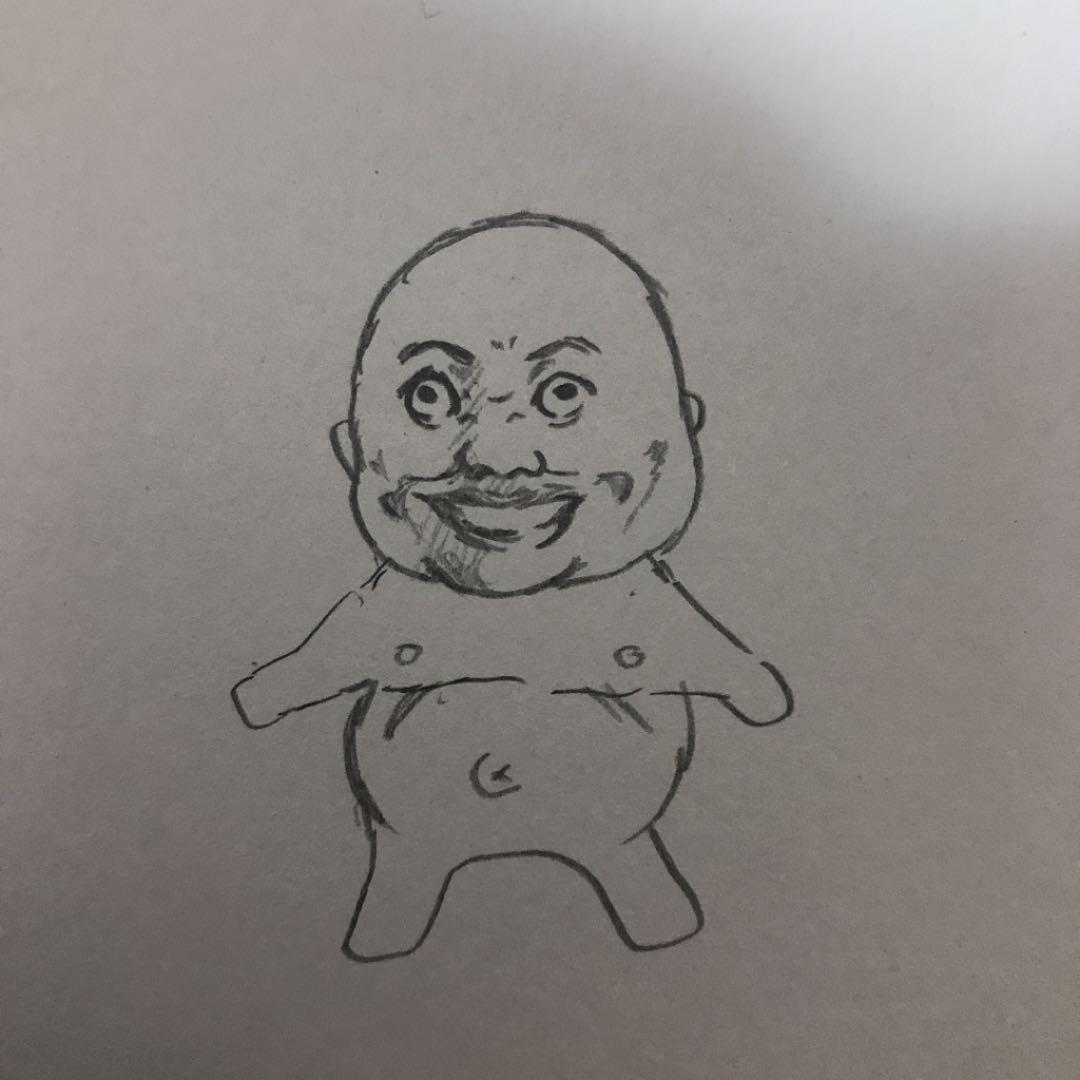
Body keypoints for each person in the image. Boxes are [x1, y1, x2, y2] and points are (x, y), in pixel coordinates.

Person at [232, 212, 793, 961]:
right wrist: (275, 690)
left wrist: (745, 682)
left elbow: (703, 655)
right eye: (430, 397)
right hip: (417, 812)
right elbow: (328, 658)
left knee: (636, 877)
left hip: (614, 810)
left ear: (682, 434)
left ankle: (643, 896)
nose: (497, 456)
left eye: (562, 393)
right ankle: (401, 897)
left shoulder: (639, 601)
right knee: (406, 874)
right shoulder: (391, 604)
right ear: (354, 451)